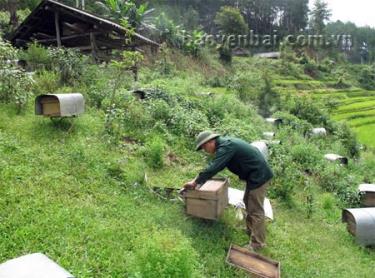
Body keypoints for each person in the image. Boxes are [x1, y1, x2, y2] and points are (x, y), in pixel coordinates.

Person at [184, 131, 273, 251]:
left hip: (259, 176)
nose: (205, 150)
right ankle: (251, 231)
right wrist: (197, 179)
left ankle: (257, 244)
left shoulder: (226, 147)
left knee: (255, 209)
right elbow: (213, 165)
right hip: (255, 175)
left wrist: (195, 182)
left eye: (204, 147)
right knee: (247, 201)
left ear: (211, 141)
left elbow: (214, 167)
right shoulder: (226, 144)